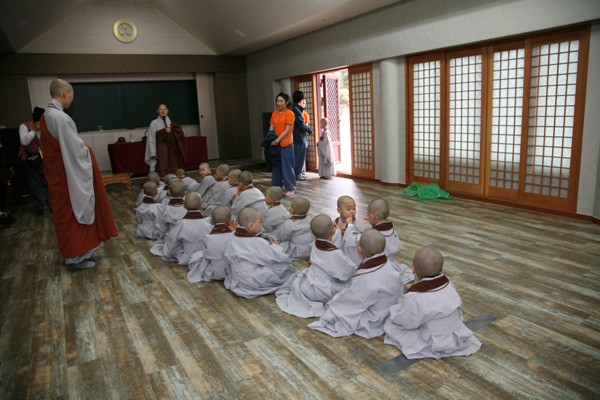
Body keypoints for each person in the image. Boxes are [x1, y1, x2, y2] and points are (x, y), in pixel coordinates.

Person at [40, 79, 118, 270]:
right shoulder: (61, 118)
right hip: (68, 177)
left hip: (57, 174)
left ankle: (74, 254)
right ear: (65, 93)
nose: (72, 99)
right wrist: (88, 150)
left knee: (65, 215)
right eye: (72, 95)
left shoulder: (46, 115)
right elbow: (76, 151)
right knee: (74, 214)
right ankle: (75, 257)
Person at [383, 246, 482, 359]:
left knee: (391, 326)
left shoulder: (416, 296)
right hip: (456, 335)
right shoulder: (448, 283)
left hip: (435, 341)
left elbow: (408, 322)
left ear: (414, 269)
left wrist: (395, 312)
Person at [308, 229, 404, 339]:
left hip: (376, 318)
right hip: (390, 307)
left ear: (359, 249)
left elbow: (352, 300)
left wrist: (333, 303)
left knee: (336, 310)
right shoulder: (391, 265)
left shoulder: (366, 279)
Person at [275, 214, 356, 318]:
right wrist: (350, 227)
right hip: (323, 288)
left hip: (308, 281)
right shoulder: (334, 253)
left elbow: (330, 238)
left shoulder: (316, 243)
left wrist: (338, 231)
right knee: (352, 286)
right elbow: (348, 271)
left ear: (312, 233)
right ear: (333, 230)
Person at [224, 207, 295, 298]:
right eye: (260, 222)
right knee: (283, 266)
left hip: (237, 279)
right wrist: (275, 246)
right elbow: (277, 257)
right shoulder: (257, 242)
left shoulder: (232, 238)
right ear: (251, 225)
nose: (261, 225)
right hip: (251, 282)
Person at [341, 198, 414, 284]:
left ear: (372, 216)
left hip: (378, 266)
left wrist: (350, 225)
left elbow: (351, 239)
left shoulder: (376, 235)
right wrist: (373, 222)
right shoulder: (390, 229)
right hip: (390, 262)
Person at [187, 207, 236, 283]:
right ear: (230, 222)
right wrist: (234, 231)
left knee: (197, 255)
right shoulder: (234, 236)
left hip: (214, 273)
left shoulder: (208, 238)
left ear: (211, 221)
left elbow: (206, 255)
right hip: (231, 272)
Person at [162, 192, 212, 265]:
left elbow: (172, 241)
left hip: (186, 257)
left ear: (184, 205)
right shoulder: (208, 224)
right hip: (203, 256)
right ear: (201, 205)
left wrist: (167, 252)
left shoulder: (181, 224)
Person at [18, 106, 51, 214]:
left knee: (47, 182)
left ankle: (51, 204)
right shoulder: (24, 126)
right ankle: (39, 207)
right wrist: (34, 130)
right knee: (34, 184)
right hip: (30, 159)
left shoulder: (46, 127)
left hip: (44, 158)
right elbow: (24, 142)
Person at [144, 104, 187, 176]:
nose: (163, 111)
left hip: (172, 147)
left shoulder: (171, 122)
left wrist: (171, 131)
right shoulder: (154, 123)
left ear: (167, 111)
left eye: (164, 109)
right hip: (161, 148)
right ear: (157, 111)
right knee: (162, 164)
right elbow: (151, 138)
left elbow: (179, 134)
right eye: (160, 109)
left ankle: (173, 178)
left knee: (173, 165)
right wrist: (152, 152)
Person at [150, 179, 187, 256]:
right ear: (185, 193)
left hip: (170, 237)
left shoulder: (165, 209)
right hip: (185, 238)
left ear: (169, 192)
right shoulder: (187, 209)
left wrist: (162, 236)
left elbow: (162, 227)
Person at [269, 92, 296, 197]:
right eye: (278, 101)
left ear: (287, 102)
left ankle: (290, 188)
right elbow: (272, 127)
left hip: (286, 144)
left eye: (281, 101)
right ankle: (276, 186)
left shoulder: (290, 114)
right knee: (276, 165)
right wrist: (271, 138)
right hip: (276, 144)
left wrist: (277, 140)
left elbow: (287, 130)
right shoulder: (274, 113)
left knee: (287, 167)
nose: (279, 103)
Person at [275, 196, 314, 260]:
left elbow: (282, 238)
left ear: (292, 210)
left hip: (296, 252)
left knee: (281, 243)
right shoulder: (310, 219)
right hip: (309, 249)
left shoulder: (289, 223)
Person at [291, 91, 313, 181]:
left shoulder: (294, 108)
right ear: (302, 100)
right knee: (299, 157)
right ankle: (297, 174)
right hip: (298, 137)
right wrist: (310, 130)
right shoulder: (296, 110)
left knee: (297, 157)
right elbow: (301, 124)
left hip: (296, 137)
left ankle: (298, 173)